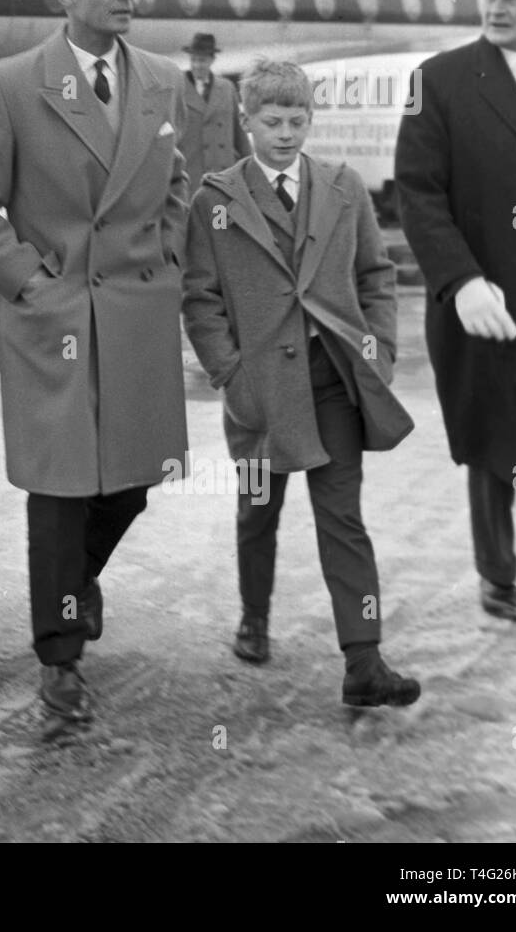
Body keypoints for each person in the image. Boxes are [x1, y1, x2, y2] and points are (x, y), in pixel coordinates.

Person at [0, 0, 190, 725]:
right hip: (53, 320)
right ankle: (59, 657)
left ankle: (73, 583)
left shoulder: (160, 79)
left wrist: (169, 262)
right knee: (57, 491)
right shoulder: (11, 83)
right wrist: (29, 285)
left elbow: (175, 185)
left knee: (134, 481)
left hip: (136, 316)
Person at [183, 58, 420, 707]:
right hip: (258, 387)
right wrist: (230, 374)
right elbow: (200, 297)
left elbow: (376, 276)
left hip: (337, 380)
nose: (285, 133)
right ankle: (254, 617)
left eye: (297, 120)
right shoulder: (216, 200)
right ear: (246, 120)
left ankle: (364, 659)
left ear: (312, 120)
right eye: (271, 120)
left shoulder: (343, 187)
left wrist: (380, 350)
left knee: (343, 517)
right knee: (259, 511)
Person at [395, 0, 516, 622]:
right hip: (492, 301)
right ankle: (497, 574)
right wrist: (460, 280)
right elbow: (418, 192)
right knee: (497, 442)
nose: (497, 9)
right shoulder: (439, 81)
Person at [179, 32, 250, 191]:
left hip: (222, 175)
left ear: (212, 60)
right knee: (193, 215)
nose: (197, 65)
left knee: (220, 215)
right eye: (194, 60)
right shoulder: (178, 87)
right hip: (190, 176)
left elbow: (240, 135)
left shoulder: (226, 88)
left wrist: (250, 169)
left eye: (202, 60)